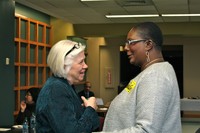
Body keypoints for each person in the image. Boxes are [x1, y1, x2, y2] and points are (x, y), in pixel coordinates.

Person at [97, 22, 182, 133]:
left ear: (148, 44)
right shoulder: (150, 73)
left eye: (131, 42)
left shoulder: (155, 76)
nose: (126, 47)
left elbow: (146, 130)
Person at [36, 40, 100, 133]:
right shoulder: (56, 89)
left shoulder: (65, 86)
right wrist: (90, 109)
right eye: (81, 62)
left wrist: (86, 110)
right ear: (64, 64)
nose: (85, 66)